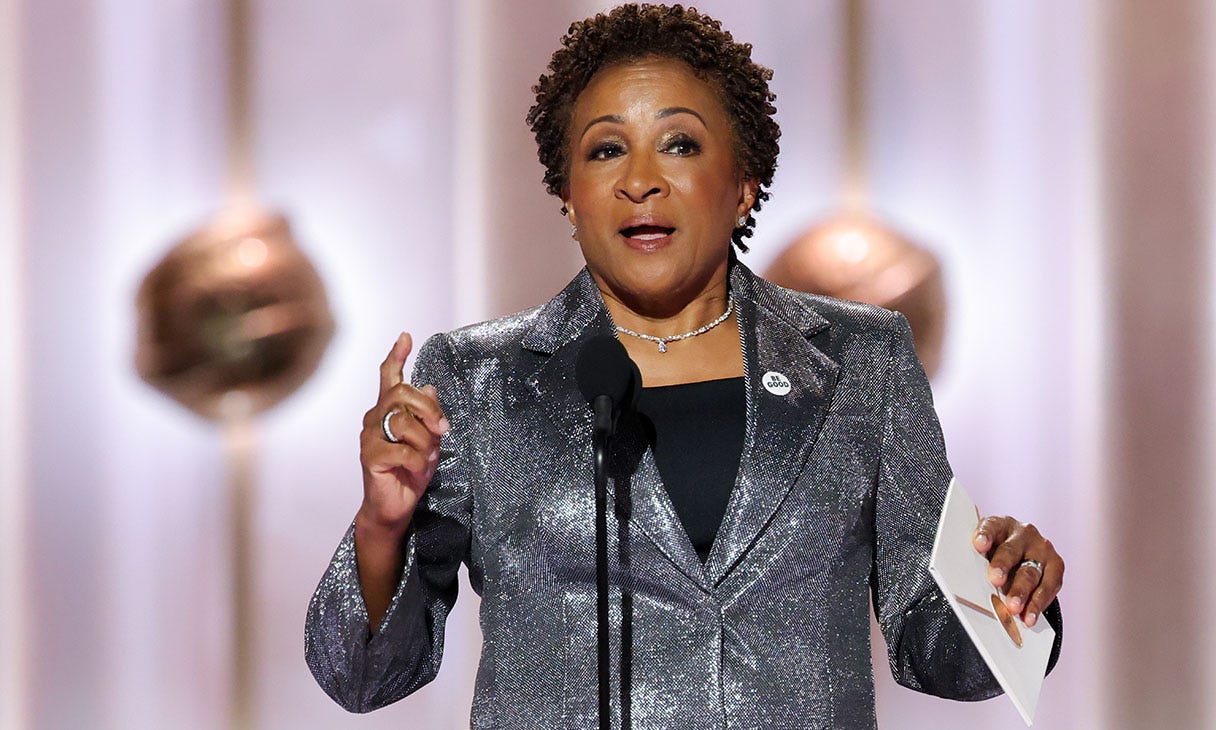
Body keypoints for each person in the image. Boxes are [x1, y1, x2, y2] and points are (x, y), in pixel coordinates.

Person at [305, 4, 1064, 728]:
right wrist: (383, 524)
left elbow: (936, 649)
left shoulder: (863, 363)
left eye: (679, 144)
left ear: (744, 185)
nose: (640, 179)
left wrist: (1009, 593)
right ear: (568, 196)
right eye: (606, 150)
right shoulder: (480, 381)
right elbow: (363, 677)